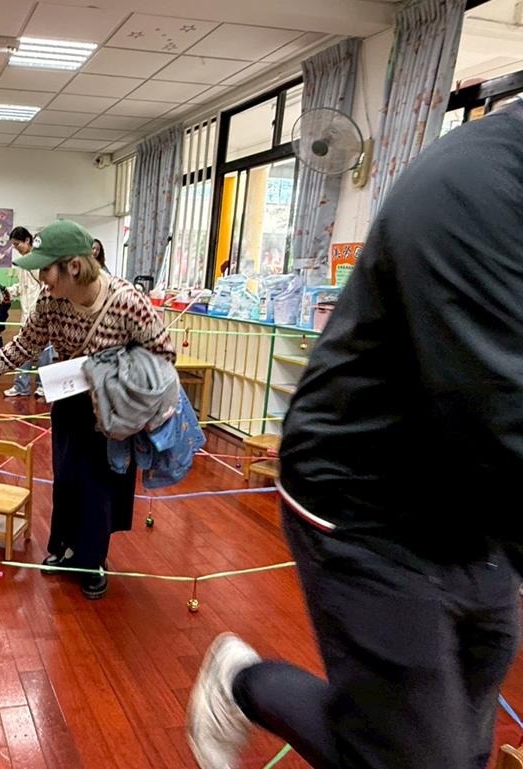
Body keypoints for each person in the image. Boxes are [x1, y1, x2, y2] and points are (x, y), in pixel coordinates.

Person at [186, 99, 523, 769]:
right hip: (365, 497)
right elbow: (500, 408)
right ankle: (243, 684)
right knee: (413, 758)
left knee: (466, 744)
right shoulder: (472, 184)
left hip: (475, 514)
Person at [0, 220, 174, 599]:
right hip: (70, 397)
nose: (41, 279)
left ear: (73, 266)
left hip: (114, 406)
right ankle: (66, 550)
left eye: (46, 269)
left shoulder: (127, 300)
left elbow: (164, 354)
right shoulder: (50, 302)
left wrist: (118, 375)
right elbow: (25, 343)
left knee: (99, 486)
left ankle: (92, 561)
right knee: (67, 478)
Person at [5, 226, 54, 398]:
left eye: (17, 244)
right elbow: (23, 287)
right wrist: (7, 292)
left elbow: (45, 288)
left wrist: (40, 312)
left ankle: (43, 385)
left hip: (41, 316)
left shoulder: (39, 262)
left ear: (27, 240)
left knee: (43, 354)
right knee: (22, 351)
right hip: (25, 317)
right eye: (13, 245)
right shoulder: (22, 264)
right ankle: (21, 386)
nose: (16, 248)